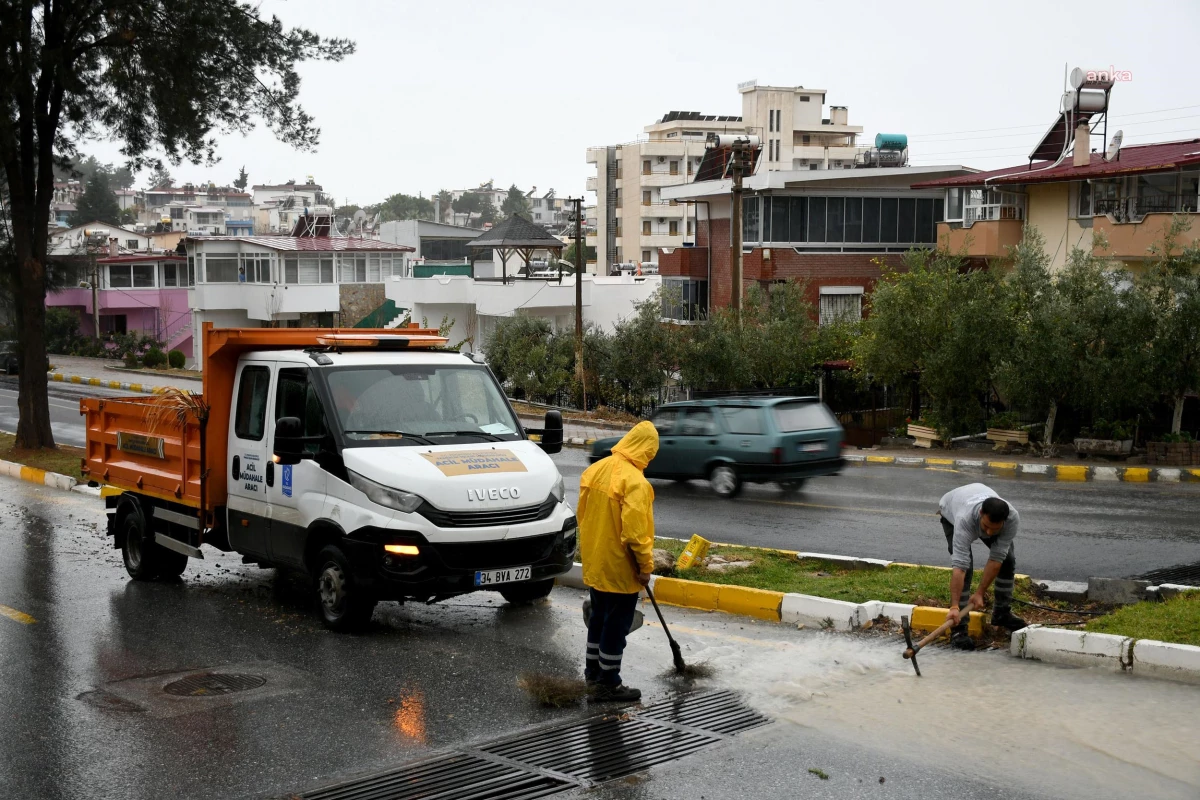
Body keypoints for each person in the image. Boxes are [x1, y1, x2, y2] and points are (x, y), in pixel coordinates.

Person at [577, 420, 659, 702]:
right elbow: (635, 534)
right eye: (651, 452)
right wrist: (645, 568)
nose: (650, 458)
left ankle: (592, 675)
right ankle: (609, 683)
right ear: (645, 449)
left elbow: (582, 518)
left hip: (597, 562)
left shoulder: (595, 470)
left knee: (598, 618)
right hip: (620, 567)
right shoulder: (635, 482)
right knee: (616, 625)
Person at [938, 482, 1028, 650]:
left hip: (975, 501)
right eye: (986, 527)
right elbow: (959, 568)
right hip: (951, 510)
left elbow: (996, 559)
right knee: (967, 566)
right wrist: (954, 607)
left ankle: (1001, 613)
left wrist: (980, 593)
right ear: (981, 514)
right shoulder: (964, 520)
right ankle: (959, 629)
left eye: (994, 529)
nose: (989, 533)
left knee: (1007, 560)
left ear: (1004, 521)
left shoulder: (1012, 518)